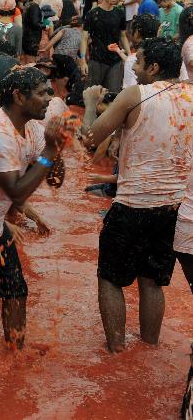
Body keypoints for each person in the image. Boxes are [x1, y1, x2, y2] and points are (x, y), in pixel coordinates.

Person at [80, 37, 193, 352]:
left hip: (132, 204)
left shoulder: (136, 94)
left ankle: (116, 351)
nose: (134, 67)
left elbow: (90, 140)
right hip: (173, 208)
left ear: (154, 67)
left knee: (109, 278)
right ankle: (150, 348)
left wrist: (90, 102)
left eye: (139, 62)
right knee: (152, 281)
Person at [0, 67, 66, 349]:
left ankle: (15, 356)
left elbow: (54, 180)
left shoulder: (31, 128)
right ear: (18, 96)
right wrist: (49, 152)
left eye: (49, 92)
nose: (49, 98)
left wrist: (57, 147)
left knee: (16, 290)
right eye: (41, 93)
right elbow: (16, 192)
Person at [80, 0, 130, 92]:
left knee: (112, 94)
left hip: (115, 60)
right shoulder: (92, 14)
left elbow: (123, 36)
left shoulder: (120, 13)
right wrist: (83, 61)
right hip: (96, 59)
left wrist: (130, 56)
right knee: (92, 93)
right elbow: (84, 38)